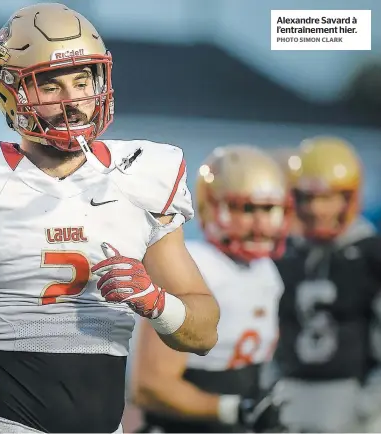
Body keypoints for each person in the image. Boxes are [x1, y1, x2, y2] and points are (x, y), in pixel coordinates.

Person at [0, 4, 220, 433]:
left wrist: (160, 305)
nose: (73, 101)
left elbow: (204, 332)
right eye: (50, 86)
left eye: (83, 80)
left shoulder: (142, 178)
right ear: (12, 92)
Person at [131, 145, 291, 433]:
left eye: (269, 209)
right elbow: (151, 386)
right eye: (245, 208)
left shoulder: (267, 271)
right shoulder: (196, 268)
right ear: (212, 207)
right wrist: (231, 409)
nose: (261, 222)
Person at [273, 136, 381, 432]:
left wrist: (372, 400)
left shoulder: (370, 254)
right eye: (306, 197)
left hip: (352, 392)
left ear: (350, 198)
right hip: (290, 388)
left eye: (327, 197)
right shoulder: (285, 253)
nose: (316, 209)